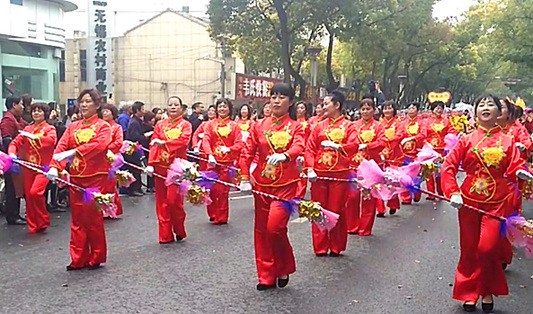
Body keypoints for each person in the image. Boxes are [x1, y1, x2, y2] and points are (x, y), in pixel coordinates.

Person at [441, 95, 531, 313]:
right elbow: (449, 166)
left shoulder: (508, 141)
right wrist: (453, 191)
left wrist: (520, 172)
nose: (486, 108)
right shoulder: (466, 139)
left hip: (497, 203)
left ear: (500, 112)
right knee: (469, 248)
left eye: (491, 105)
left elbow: (515, 165)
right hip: (469, 203)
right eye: (482, 105)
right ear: (476, 112)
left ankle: (487, 288)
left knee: (488, 248)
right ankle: (469, 292)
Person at [239, 83, 305, 290]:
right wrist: (243, 177)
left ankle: (283, 266)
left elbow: (299, 145)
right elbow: (246, 153)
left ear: (291, 102)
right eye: (273, 96)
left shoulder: (296, 127)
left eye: (281, 97)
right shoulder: (258, 126)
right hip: (262, 184)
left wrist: (286, 155)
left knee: (275, 228)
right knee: (261, 230)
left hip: (285, 184)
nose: (276, 101)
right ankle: (265, 275)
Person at [45, 88, 112, 271]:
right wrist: (54, 166)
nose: (83, 104)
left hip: (95, 177)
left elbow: (100, 145)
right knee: (77, 219)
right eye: (81, 101)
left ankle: (96, 256)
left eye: (88, 101)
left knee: (93, 218)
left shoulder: (103, 127)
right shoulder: (73, 127)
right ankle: (78, 258)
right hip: (76, 177)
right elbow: (61, 147)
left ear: (97, 105)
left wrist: (76, 151)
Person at [305, 91, 358, 256]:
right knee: (318, 209)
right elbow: (310, 148)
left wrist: (338, 147)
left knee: (337, 209)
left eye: (327, 103)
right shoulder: (319, 126)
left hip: (340, 174)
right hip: (319, 174)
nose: (323, 106)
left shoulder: (349, 126)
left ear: (337, 105)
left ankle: (336, 245)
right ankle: (320, 246)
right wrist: (310, 168)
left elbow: (354, 144)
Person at [145, 96, 192, 244]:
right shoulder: (160, 125)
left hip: (177, 168)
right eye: (170, 105)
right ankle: (165, 235)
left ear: (181, 108)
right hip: (160, 166)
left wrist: (165, 143)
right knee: (162, 202)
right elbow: (154, 144)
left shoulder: (186, 125)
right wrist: (151, 163)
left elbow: (183, 141)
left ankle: (179, 229)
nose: (172, 107)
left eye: (176, 105)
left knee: (174, 202)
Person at [8, 103, 56, 232]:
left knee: (35, 192)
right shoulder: (27, 130)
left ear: (45, 114)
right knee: (29, 196)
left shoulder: (50, 128)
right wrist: (12, 154)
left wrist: (36, 138)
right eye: (34, 111)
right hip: (29, 167)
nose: (36, 113)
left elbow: (51, 141)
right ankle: (33, 224)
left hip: (44, 168)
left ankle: (43, 220)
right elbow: (15, 143)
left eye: (39, 111)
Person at [344, 98, 384, 236]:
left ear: (374, 110)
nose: (365, 111)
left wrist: (367, 146)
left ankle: (365, 228)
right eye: (363, 109)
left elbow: (382, 143)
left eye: (368, 108)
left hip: (371, 167)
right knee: (352, 197)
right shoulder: (353, 125)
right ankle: (352, 226)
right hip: (354, 165)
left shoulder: (379, 126)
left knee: (368, 198)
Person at [203, 99, 244, 224]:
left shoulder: (234, 126)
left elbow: (240, 143)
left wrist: (229, 149)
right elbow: (206, 139)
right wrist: (209, 154)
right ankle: (212, 213)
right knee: (209, 188)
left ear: (229, 109)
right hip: (212, 161)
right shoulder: (210, 125)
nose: (222, 109)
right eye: (219, 106)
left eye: (224, 106)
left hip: (226, 163)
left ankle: (221, 216)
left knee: (222, 190)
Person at [1, 96, 28, 225]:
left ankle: (15, 213)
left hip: (17, 158)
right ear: (13, 105)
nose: (22, 107)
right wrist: (13, 154)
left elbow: (26, 128)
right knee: (11, 187)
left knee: (17, 187)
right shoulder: (7, 120)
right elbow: (6, 140)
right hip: (11, 160)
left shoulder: (17, 120)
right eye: (21, 104)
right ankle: (11, 215)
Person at [376, 100, 403, 217]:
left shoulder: (398, 123)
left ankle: (392, 203)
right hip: (379, 155)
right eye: (385, 108)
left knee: (392, 180)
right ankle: (380, 209)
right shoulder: (378, 124)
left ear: (394, 110)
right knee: (378, 181)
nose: (387, 110)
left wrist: (388, 140)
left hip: (394, 155)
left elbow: (401, 135)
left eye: (389, 108)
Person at [425, 101, 456, 200]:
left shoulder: (446, 121)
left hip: (441, 150)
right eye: (436, 108)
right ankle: (431, 193)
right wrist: (426, 143)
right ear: (432, 109)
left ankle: (440, 191)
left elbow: (452, 132)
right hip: (429, 149)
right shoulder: (426, 121)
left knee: (440, 172)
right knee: (428, 171)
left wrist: (449, 142)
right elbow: (423, 134)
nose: (439, 110)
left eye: (441, 108)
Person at [399, 102, 426, 204]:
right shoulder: (402, 123)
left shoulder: (422, 122)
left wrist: (412, 139)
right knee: (405, 175)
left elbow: (423, 134)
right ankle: (406, 198)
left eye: (413, 108)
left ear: (417, 110)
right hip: (404, 153)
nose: (411, 110)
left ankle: (416, 192)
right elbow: (400, 134)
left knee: (416, 175)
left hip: (417, 153)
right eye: (409, 108)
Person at [101, 104, 124, 217]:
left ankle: (110, 209)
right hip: (98, 158)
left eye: (107, 111)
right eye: (103, 111)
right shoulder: (99, 126)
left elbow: (119, 142)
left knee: (109, 184)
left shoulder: (117, 127)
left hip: (111, 159)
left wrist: (106, 148)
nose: (104, 113)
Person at [125, 101, 146, 197]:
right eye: (142, 109)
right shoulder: (134, 122)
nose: (144, 111)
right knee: (134, 169)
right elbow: (134, 137)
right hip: (132, 150)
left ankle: (138, 187)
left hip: (136, 149)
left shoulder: (138, 121)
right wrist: (144, 136)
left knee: (138, 169)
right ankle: (133, 189)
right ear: (137, 110)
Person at [192, 105, 216, 171]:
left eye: (213, 111)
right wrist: (195, 146)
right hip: (202, 152)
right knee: (202, 170)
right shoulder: (203, 123)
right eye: (209, 110)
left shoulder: (218, 124)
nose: (210, 112)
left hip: (214, 151)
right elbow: (195, 135)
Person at [295, 101, 311, 199]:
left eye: (302, 108)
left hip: (304, 150)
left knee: (302, 173)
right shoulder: (291, 123)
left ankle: (299, 194)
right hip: (293, 150)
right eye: (298, 108)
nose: (300, 110)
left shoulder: (308, 124)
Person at [142, 111, 156, 193]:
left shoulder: (152, 127)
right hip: (148, 149)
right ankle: (150, 186)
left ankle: (152, 185)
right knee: (150, 168)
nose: (153, 120)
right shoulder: (145, 127)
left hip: (152, 149)